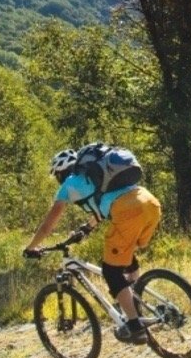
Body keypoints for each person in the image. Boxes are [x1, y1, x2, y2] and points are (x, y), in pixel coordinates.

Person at [24, 145, 162, 344]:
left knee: (111, 271)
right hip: (149, 202)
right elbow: (104, 204)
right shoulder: (96, 177)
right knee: (124, 253)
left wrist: (31, 247)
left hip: (128, 211)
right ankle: (135, 303)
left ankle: (134, 326)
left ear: (61, 173)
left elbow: (47, 226)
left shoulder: (69, 184)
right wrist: (86, 229)